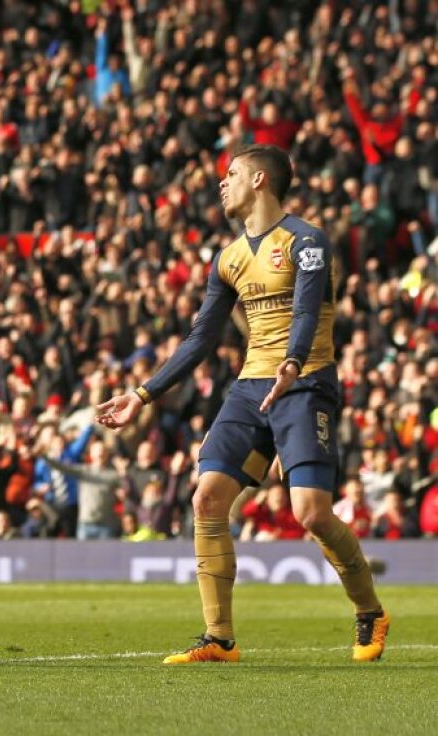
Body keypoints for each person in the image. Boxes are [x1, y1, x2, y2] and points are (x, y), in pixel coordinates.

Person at [96, 145, 390, 664]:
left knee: (311, 513)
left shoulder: (306, 241)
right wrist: (142, 395)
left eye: (230, 174)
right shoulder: (228, 258)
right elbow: (200, 339)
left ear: (259, 180)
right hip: (252, 387)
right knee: (207, 498)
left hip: (304, 383)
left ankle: (370, 611)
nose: (221, 183)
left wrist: (294, 362)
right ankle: (219, 639)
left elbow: (305, 311)